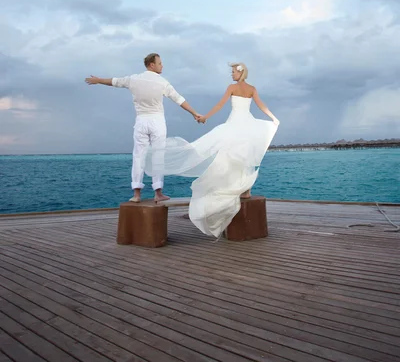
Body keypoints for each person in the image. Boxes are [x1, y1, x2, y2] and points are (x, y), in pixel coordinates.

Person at [145, 62, 279, 237]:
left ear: (240, 73)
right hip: (247, 124)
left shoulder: (232, 87)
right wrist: (274, 118)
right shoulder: (252, 89)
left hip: (234, 124)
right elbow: (262, 106)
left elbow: (219, 105)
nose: (231, 75)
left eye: (233, 72)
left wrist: (205, 117)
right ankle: (245, 190)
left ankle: (238, 188)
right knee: (244, 155)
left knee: (229, 155)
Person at [85, 53, 200, 203]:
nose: (162, 65)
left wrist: (98, 80)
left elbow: (115, 81)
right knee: (157, 155)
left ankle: (136, 194)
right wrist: (194, 113)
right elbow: (179, 99)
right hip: (157, 121)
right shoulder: (162, 82)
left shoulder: (134, 79)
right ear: (152, 64)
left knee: (139, 155)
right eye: (159, 63)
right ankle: (158, 193)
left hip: (141, 121)